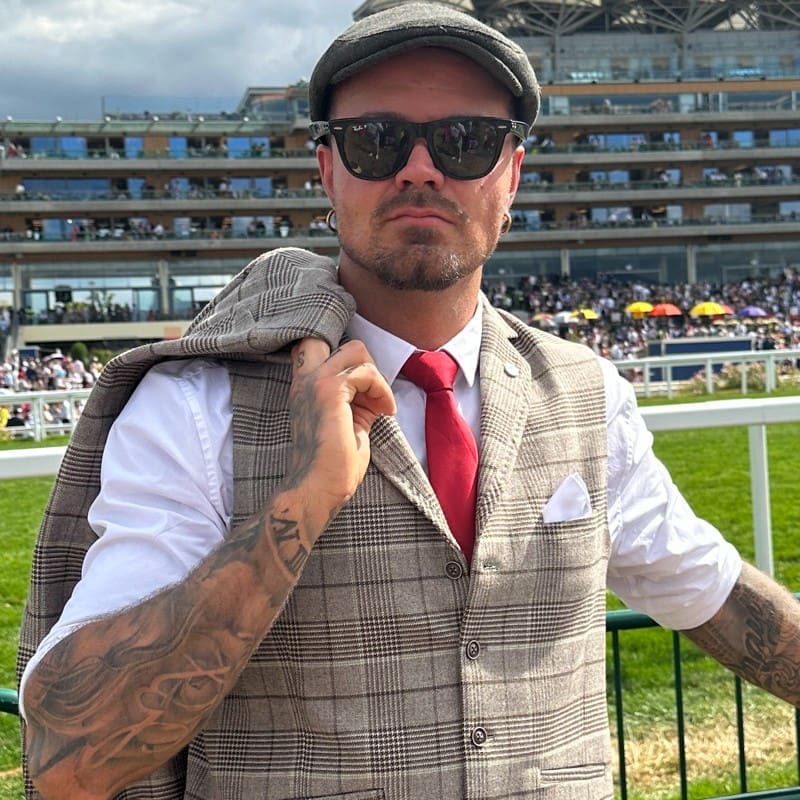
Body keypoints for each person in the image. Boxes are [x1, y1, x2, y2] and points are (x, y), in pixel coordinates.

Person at [17, 4, 800, 799]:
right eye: (375, 140)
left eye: (466, 141)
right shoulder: (195, 404)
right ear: (328, 171)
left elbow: (714, 593)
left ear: (513, 173)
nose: (419, 169)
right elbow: (67, 762)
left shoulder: (587, 393)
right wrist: (296, 505)